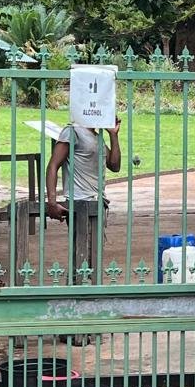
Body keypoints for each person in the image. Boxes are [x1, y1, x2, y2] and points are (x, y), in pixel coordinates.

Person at [45, 117, 120, 281]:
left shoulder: (97, 137)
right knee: (81, 252)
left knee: (93, 253)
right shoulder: (72, 132)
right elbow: (52, 166)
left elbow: (114, 165)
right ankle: (74, 289)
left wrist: (113, 135)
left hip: (97, 203)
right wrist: (52, 201)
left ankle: (88, 290)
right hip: (78, 203)